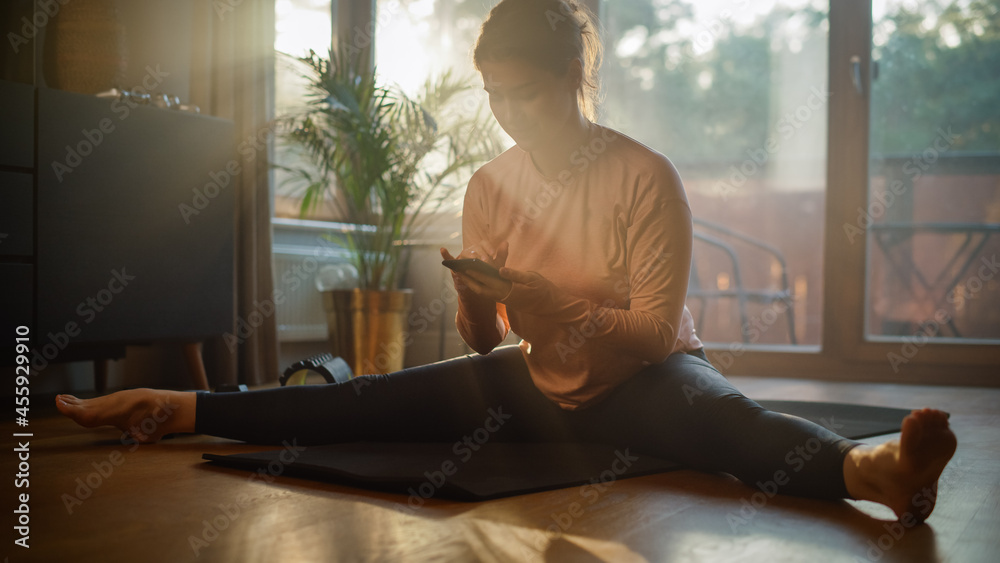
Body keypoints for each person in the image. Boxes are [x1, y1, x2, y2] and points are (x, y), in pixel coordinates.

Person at [56, 0, 956, 524]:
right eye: (492, 95)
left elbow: (649, 330)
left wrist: (555, 306)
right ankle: (173, 406)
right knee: (365, 399)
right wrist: (480, 303)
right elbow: (488, 344)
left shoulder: (645, 175)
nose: (506, 112)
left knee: (724, 424)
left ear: (571, 74)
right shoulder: (489, 184)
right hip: (533, 381)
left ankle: (876, 473)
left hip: (651, 375)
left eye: (520, 91)